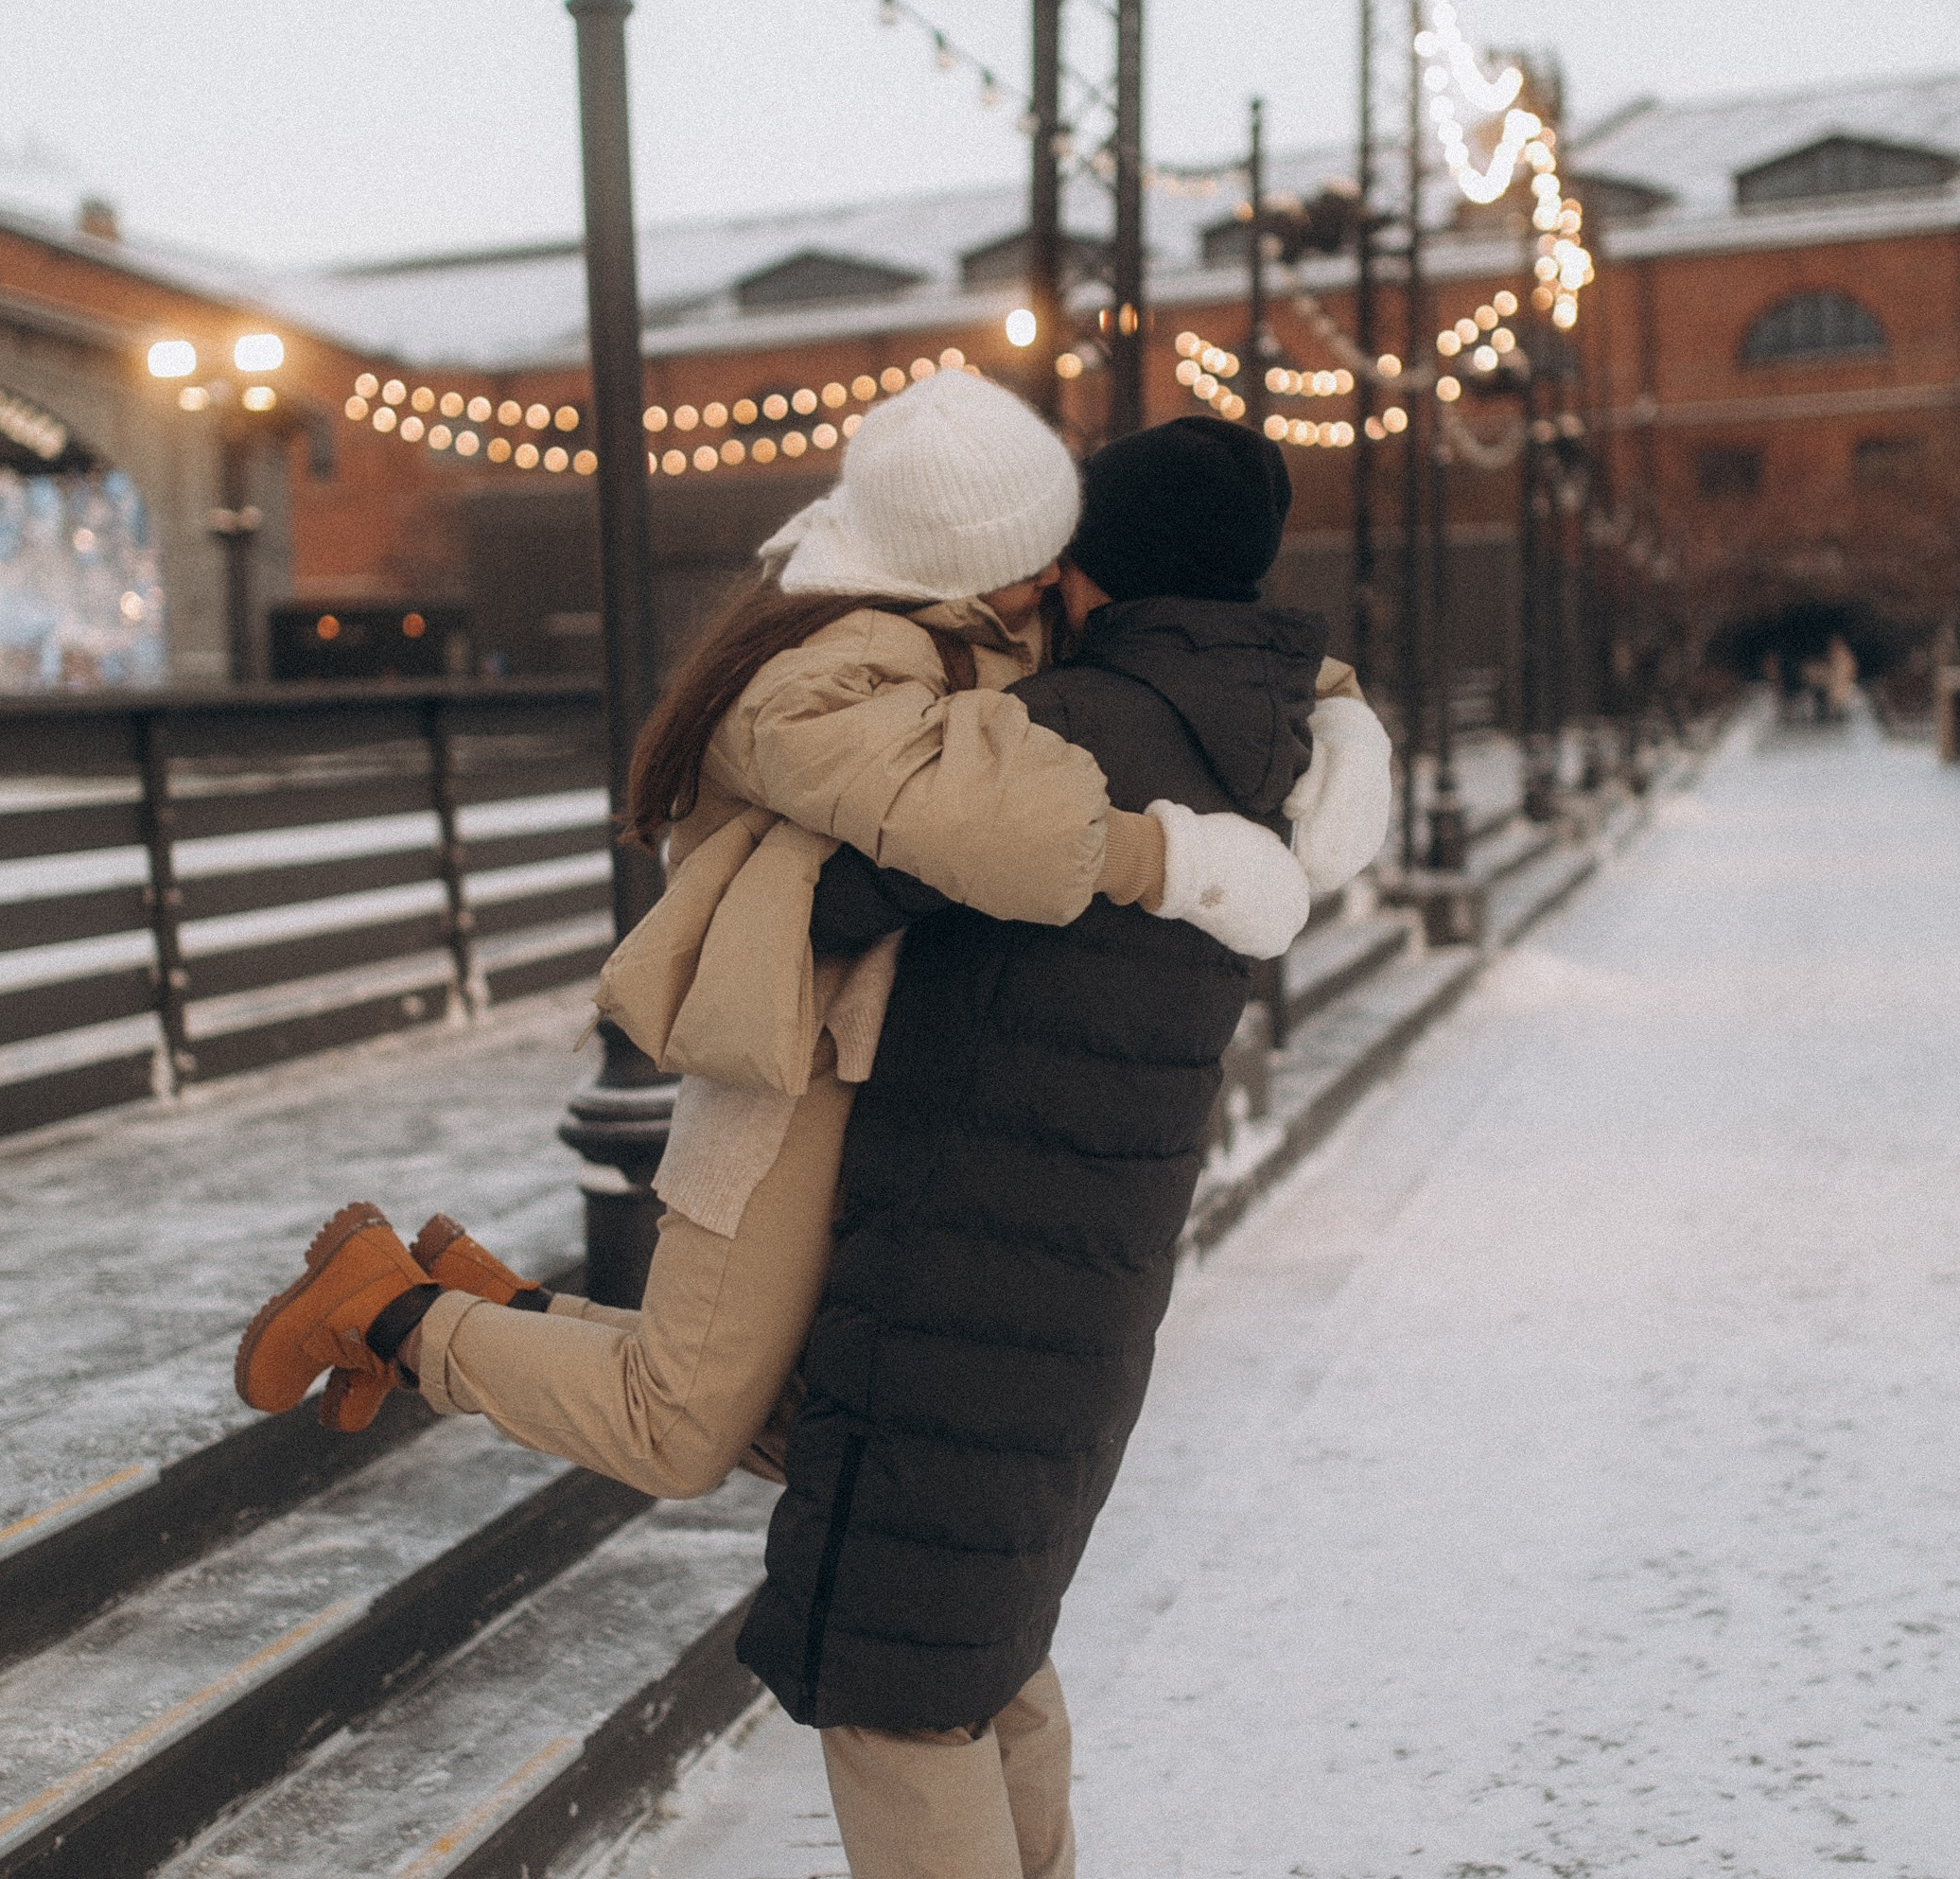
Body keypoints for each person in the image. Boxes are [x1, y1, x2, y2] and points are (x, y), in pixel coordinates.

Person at [735, 413, 1391, 1879]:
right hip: (1081, 1263)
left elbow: (831, 888)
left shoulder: (1069, 733)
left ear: (1081, 561)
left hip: (962, 1249)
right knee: (982, 1645)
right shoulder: (1259, 725)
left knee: (896, 1683)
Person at [234, 372, 1325, 1475]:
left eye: (1057, 547)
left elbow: (1182, 658)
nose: (1052, 576)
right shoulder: (823, 672)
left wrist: (1337, 713)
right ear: (945, 565)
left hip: (873, 1055)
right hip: (786, 1065)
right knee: (676, 1432)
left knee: (825, 1412)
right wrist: (1178, 863)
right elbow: (980, 817)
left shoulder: (971, 620)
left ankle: (484, 1307)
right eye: (1026, 557)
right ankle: (383, 1309)